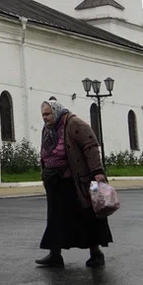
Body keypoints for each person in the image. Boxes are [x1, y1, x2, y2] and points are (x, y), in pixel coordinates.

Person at [36, 99, 112, 269]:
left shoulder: (73, 123)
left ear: (56, 111)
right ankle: (55, 255)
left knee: (88, 216)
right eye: (43, 115)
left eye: (48, 114)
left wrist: (97, 172)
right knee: (55, 218)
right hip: (55, 181)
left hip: (78, 181)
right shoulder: (48, 129)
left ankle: (96, 254)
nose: (45, 118)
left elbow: (90, 145)